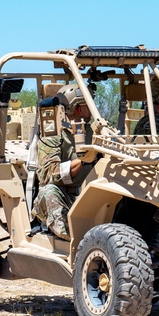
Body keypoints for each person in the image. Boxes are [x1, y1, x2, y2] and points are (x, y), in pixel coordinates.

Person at [32, 84, 102, 239]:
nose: (93, 108)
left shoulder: (96, 133)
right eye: (89, 104)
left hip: (91, 195)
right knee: (48, 191)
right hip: (64, 198)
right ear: (79, 108)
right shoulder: (54, 134)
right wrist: (83, 161)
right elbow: (47, 175)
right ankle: (73, 238)